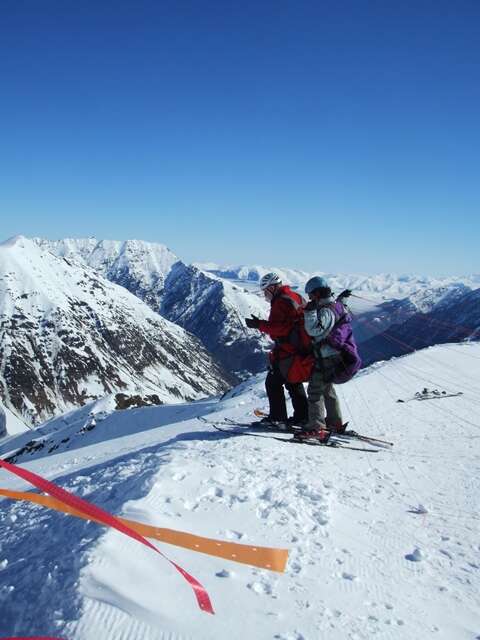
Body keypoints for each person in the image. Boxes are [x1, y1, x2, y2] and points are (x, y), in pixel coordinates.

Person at [297, 276, 358, 441]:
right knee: (327, 390)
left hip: (327, 357)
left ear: (317, 294)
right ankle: (334, 423)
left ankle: (317, 427)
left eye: (310, 294)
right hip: (336, 356)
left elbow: (314, 330)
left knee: (315, 390)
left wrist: (309, 313)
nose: (309, 298)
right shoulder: (336, 306)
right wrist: (342, 298)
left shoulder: (325, 310)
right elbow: (340, 307)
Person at [245, 272, 309, 428]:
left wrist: (259, 324)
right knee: (294, 382)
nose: (264, 294)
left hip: (288, 350)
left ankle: (278, 418)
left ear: (273, 287)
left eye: (265, 290)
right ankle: (303, 417)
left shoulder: (280, 302)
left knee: (273, 382)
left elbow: (280, 328)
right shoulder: (296, 297)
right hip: (302, 348)